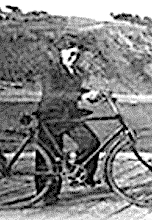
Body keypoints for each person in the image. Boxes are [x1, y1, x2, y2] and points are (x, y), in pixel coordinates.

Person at [33, 34, 102, 206]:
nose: (74, 58)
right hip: (52, 116)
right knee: (48, 158)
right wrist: (81, 96)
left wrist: (91, 94)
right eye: (70, 53)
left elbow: (74, 89)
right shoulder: (51, 71)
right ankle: (47, 196)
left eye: (77, 55)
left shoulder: (77, 72)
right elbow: (53, 93)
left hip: (70, 116)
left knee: (91, 143)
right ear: (61, 53)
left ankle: (80, 172)